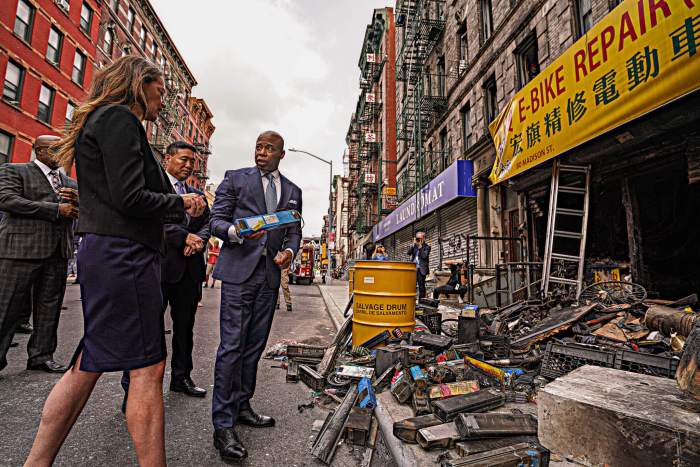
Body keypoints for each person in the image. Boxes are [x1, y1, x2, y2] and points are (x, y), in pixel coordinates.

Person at [24, 56, 206, 466]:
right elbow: (130, 198)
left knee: (88, 363)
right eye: (160, 92)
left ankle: (36, 462)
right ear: (140, 86)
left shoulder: (103, 120)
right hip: (125, 256)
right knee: (148, 367)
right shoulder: (121, 120)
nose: (163, 103)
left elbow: (117, 194)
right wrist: (182, 202)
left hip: (108, 252)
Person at [210, 130, 302, 462]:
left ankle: (241, 405)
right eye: (258, 147)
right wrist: (234, 231)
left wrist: (290, 252)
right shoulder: (235, 179)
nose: (261, 152)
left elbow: (294, 230)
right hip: (238, 274)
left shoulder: (292, 191)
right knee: (232, 346)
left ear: (280, 154)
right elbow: (216, 220)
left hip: (268, 278)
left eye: (269, 148)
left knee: (253, 347)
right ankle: (222, 425)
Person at [0, 135, 78, 374]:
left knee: (49, 307)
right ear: (40, 150)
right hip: (20, 250)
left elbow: (78, 212)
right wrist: (55, 209)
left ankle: (41, 356)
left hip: (57, 252)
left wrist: (78, 207)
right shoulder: (14, 170)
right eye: (56, 149)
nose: (60, 154)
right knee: (7, 307)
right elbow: (7, 199)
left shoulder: (70, 183)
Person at [159, 140, 211, 397]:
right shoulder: (153, 188)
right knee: (149, 329)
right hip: (157, 266)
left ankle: (181, 377)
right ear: (167, 159)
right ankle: (136, 386)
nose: (189, 165)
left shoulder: (197, 194)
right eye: (183, 159)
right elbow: (148, 220)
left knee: (184, 329)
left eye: (193, 161)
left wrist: (198, 240)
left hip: (189, 270)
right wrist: (183, 237)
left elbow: (208, 223)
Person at [408, 230, 431, 299]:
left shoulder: (427, 247)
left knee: (421, 286)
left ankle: (421, 301)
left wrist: (420, 247)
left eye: (419, 238)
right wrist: (412, 244)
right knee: (412, 285)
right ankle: (411, 300)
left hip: (421, 269)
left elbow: (424, 256)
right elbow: (409, 253)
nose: (418, 239)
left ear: (423, 238)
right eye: (417, 238)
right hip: (413, 268)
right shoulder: (414, 246)